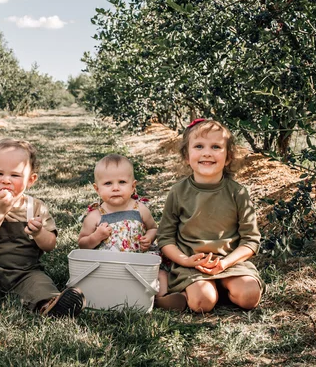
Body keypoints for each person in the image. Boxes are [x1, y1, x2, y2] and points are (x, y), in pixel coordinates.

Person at [0, 139, 84, 329]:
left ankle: (49, 304)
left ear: (31, 180)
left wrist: (40, 232)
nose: (5, 180)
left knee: (39, 282)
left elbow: (50, 245)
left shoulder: (36, 207)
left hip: (25, 271)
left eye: (15, 175)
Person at [153, 118, 264, 313]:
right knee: (203, 303)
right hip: (192, 264)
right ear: (187, 156)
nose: (207, 153)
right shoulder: (178, 192)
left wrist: (224, 264)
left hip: (230, 262)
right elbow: (165, 238)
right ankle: (187, 296)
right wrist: (185, 260)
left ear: (228, 157)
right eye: (199, 146)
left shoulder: (238, 193)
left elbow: (251, 240)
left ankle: (222, 286)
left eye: (215, 147)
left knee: (249, 297)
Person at [77, 154, 158, 253]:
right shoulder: (95, 216)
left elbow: (153, 228)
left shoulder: (139, 209)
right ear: (97, 189)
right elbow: (82, 244)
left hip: (138, 263)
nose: (115, 188)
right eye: (108, 183)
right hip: (107, 265)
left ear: (133, 186)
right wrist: (96, 237)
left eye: (122, 182)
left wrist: (149, 238)